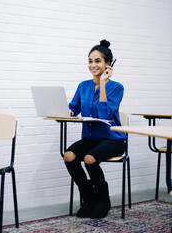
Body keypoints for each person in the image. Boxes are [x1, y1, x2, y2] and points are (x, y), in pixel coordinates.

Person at [64, 39, 127, 219]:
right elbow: (73, 107)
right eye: (90, 61)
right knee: (69, 156)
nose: (93, 65)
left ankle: (102, 200)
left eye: (98, 61)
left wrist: (104, 84)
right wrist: (65, 110)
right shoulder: (83, 86)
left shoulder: (116, 88)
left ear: (108, 64)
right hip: (91, 138)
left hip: (113, 139)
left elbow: (104, 114)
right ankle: (89, 197)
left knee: (90, 159)